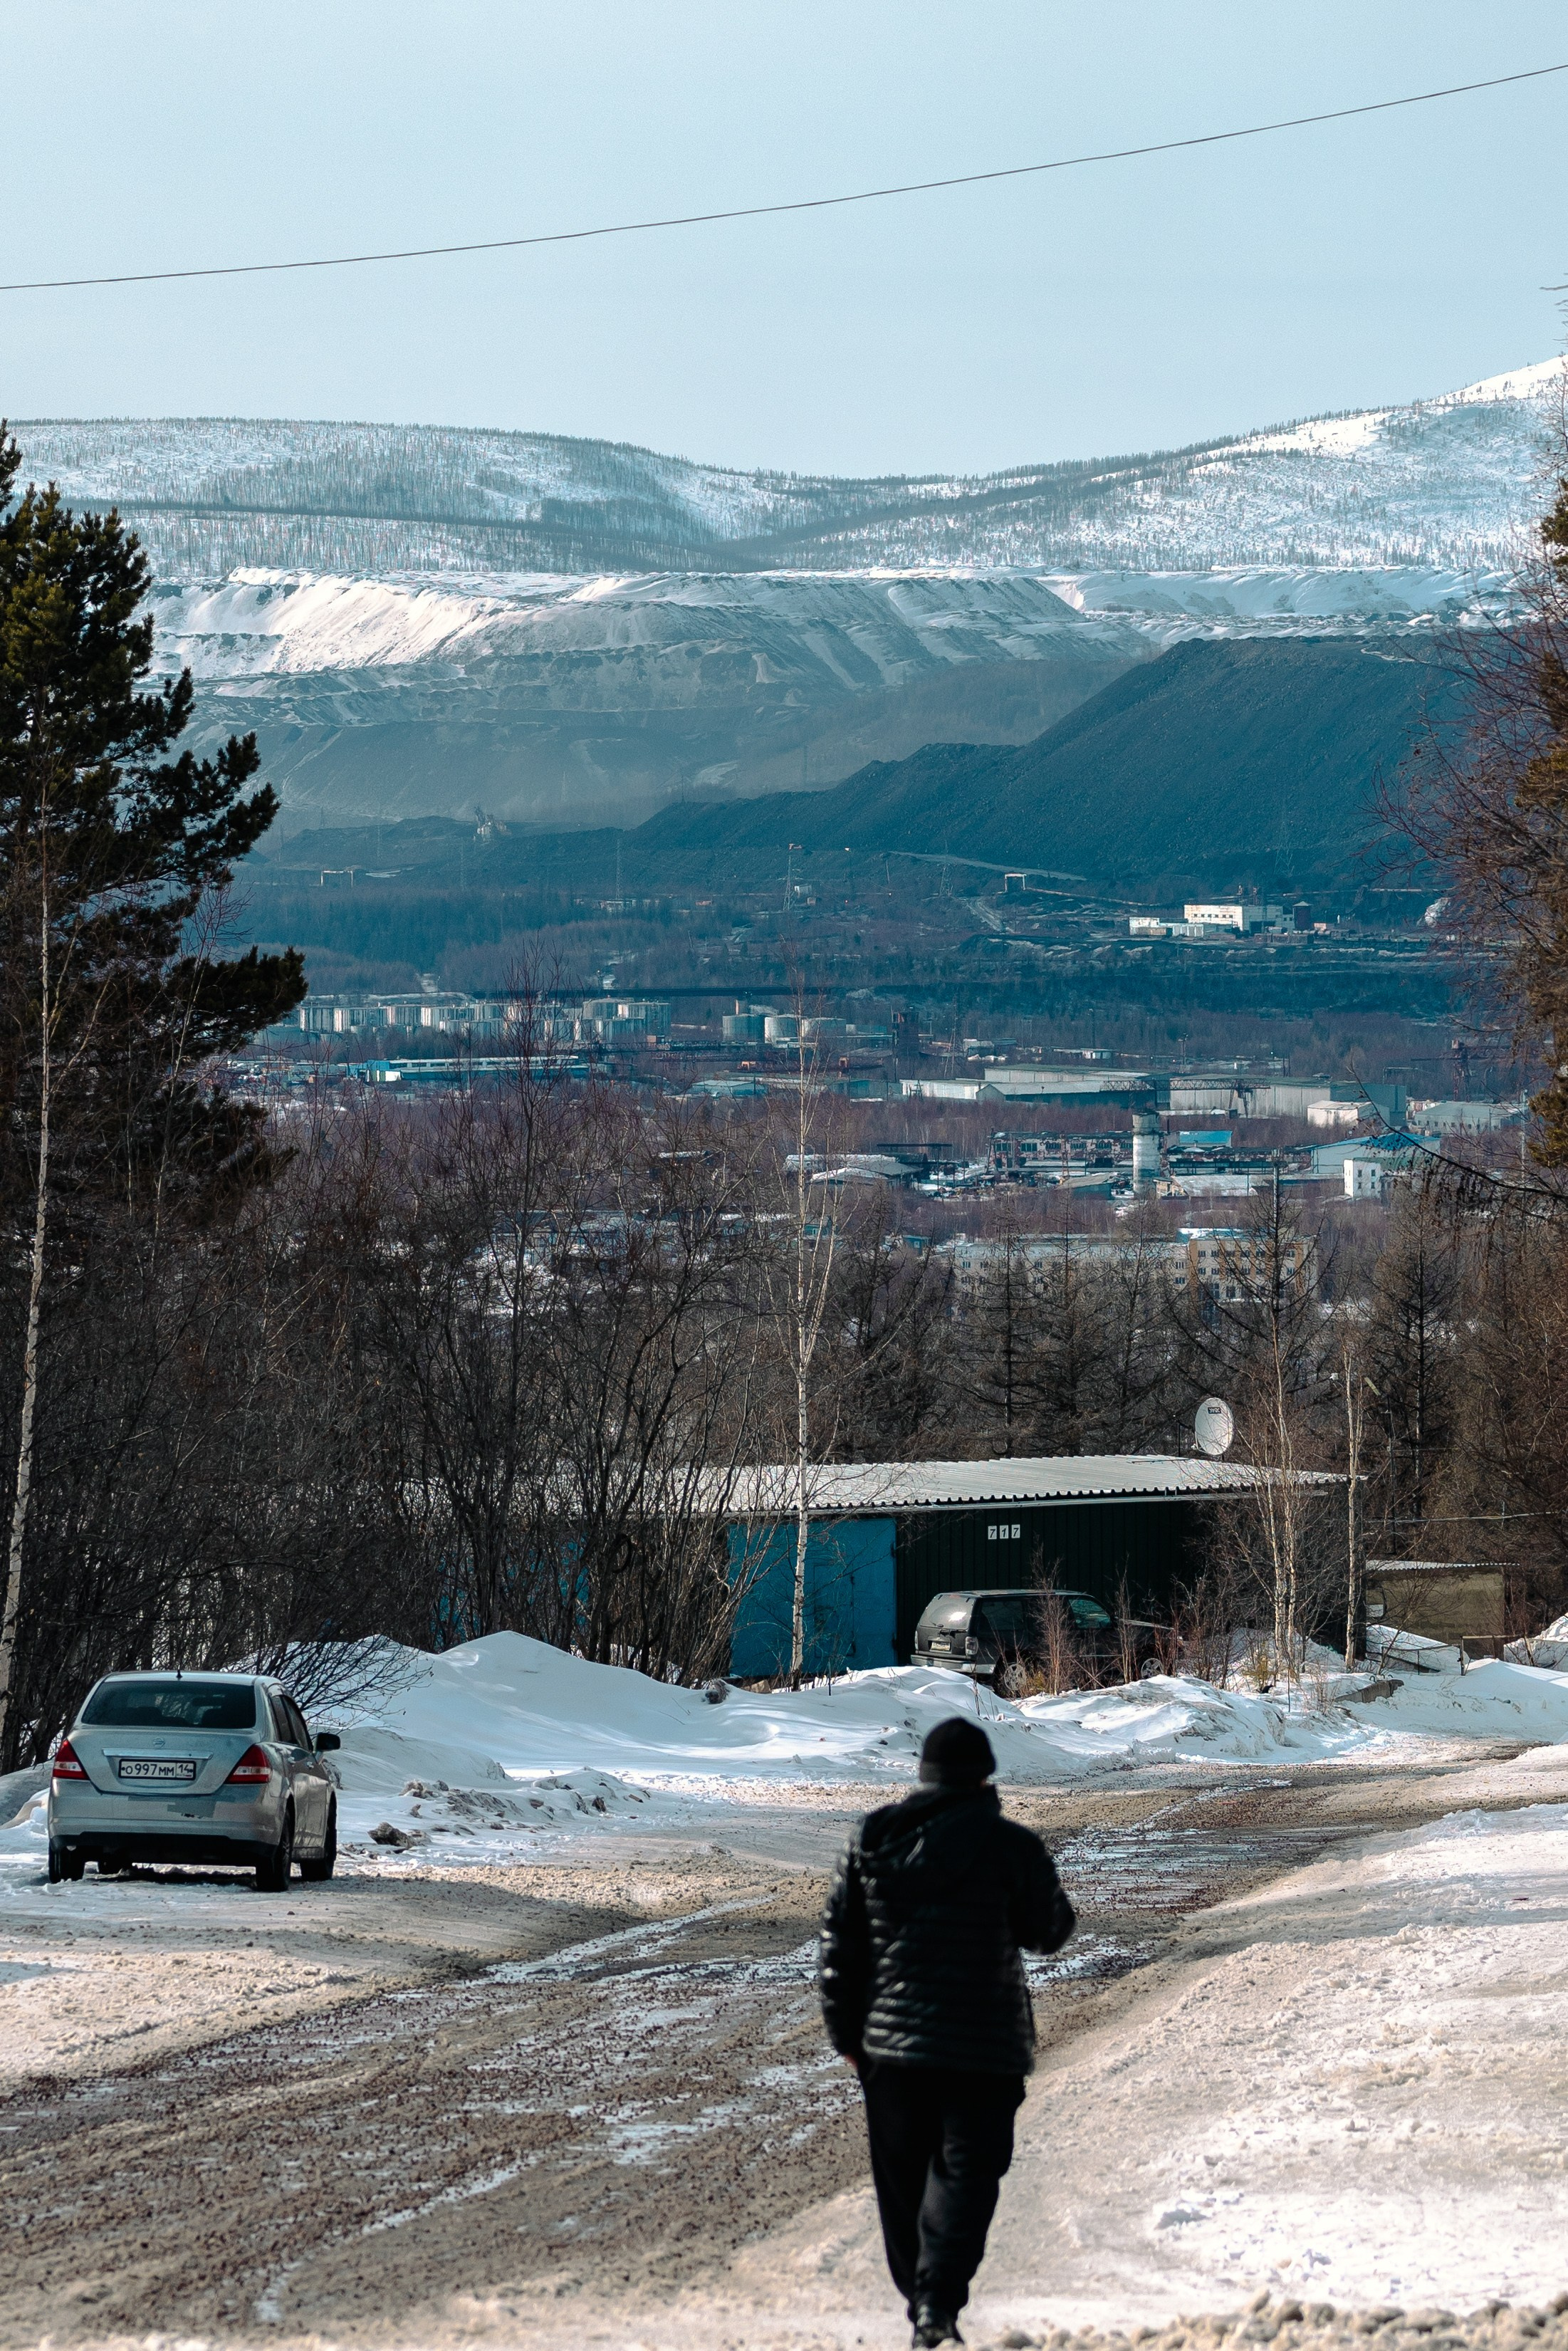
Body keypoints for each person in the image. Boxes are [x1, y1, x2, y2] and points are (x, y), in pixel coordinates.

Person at [817, 1716, 1075, 2350]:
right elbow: (1051, 1931)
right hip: (983, 2050)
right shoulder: (1013, 1845)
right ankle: (937, 2304)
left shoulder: (872, 1837)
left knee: (903, 2185)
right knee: (966, 2178)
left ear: (923, 1773)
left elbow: (838, 1947)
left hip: (892, 2053)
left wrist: (848, 2035)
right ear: (986, 1775)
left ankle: (925, 2308)